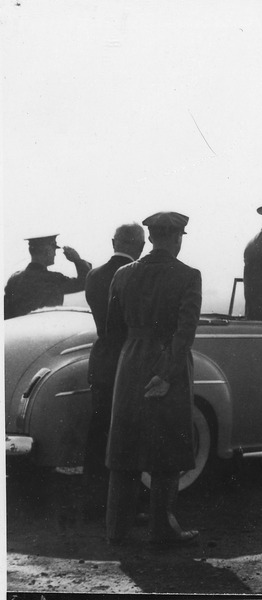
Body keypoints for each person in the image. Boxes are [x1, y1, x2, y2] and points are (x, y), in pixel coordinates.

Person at [105, 212, 201, 546]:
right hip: (169, 364)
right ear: (177, 237)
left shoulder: (122, 274)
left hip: (130, 363)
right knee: (167, 456)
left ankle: (115, 533)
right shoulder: (188, 275)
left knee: (124, 452)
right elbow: (185, 331)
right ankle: (162, 532)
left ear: (150, 238)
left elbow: (112, 329)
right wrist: (165, 373)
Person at [82, 223, 146, 517]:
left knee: (99, 432)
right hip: (129, 360)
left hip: (103, 359)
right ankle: (126, 508)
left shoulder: (94, 275)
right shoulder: (137, 274)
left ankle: (94, 502)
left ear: (113, 242)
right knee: (129, 435)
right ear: (139, 245)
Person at [4, 234, 91, 319]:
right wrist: (77, 260)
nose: (55, 254)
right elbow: (84, 283)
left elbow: (6, 313)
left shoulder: (14, 280)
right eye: (54, 249)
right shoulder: (53, 279)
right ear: (47, 250)